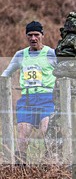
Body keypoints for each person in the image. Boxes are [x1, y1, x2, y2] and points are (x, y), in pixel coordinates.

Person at [1, 21, 58, 163]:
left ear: (42, 35)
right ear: (26, 36)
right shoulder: (20, 55)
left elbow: (64, 72)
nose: (33, 38)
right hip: (27, 99)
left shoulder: (51, 53)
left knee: (47, 131)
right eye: (30, 35)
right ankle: (21, 168)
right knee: (22, 134)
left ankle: (49, 164)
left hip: (47, 99)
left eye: (36, 35)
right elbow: (6, 74)